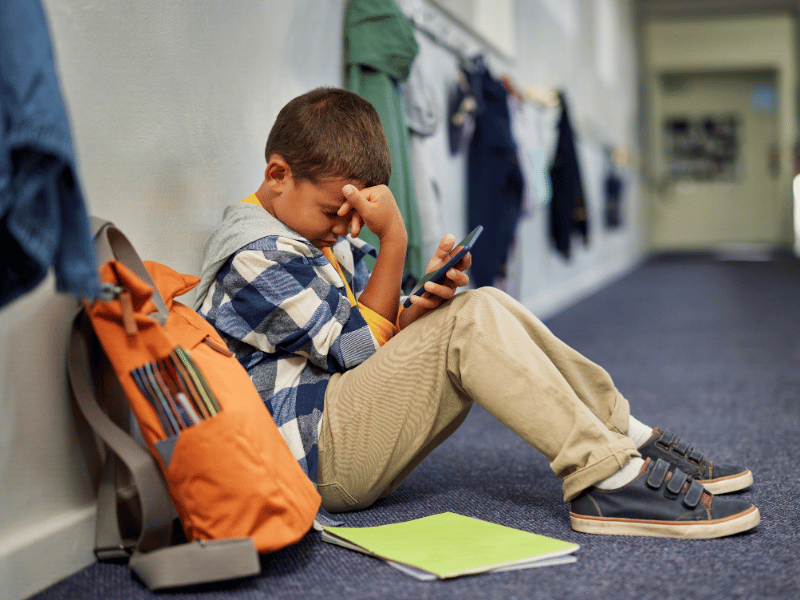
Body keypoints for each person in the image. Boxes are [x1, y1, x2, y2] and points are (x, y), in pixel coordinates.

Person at [194, 87, 759, 539]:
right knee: (468, 322)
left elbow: (369, 332)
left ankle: (624, 438)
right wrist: (395, 241)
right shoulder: (255, 255)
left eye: (354, 218)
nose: (346, 228)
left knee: (476, 303)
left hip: (338, 418)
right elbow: (354, 350)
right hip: (314, 454)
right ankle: (605, 478)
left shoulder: (305, 232)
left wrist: (417, 304)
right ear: (277, 176)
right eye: (333, 213)